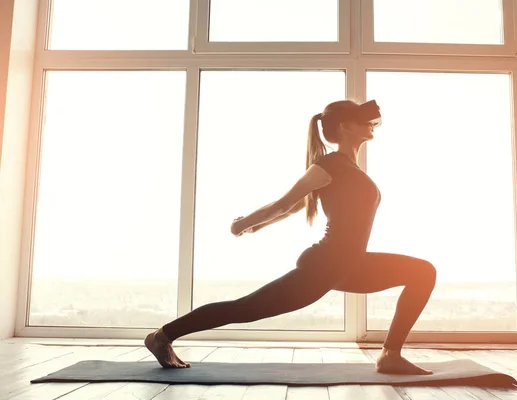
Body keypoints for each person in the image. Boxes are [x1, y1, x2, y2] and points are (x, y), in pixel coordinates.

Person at [145, 99, 437, 375]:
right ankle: (163, 336)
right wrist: (243, 224)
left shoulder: (347, 167)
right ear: (346, 127)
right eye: (364, 120)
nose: (372, 124)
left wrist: (255, 227)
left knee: (422, 272)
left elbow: (295, 208)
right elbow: (286, 203)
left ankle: (390, 355)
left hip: (351, 265)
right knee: (245, 309)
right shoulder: (328, 164)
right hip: (326, 265)